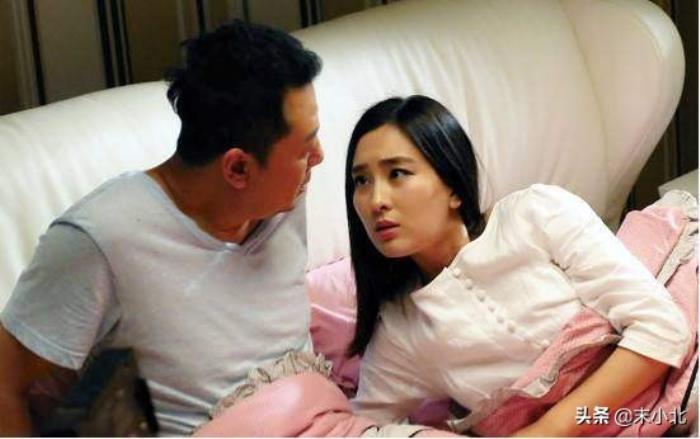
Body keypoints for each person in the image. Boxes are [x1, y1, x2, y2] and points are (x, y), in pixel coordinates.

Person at [0, 20, 324, 435]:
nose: (319, 156)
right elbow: (5, 382)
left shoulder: (281, 199)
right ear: (238, 168)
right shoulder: (103, 239)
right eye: (304, 149)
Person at [344, 95, 691, 436]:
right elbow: (364, 427)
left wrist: (546, 430)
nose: (376, 200)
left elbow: (662, 328)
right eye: (362, 181)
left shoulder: (536, 214)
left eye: (398, 173)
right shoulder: (399, 332)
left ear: (453, 187)